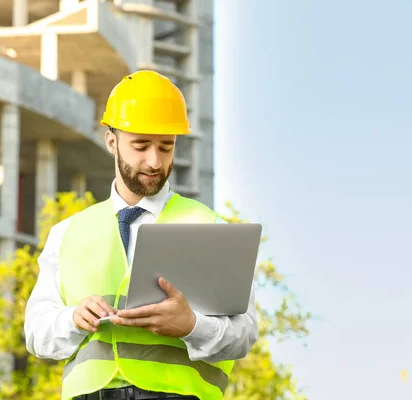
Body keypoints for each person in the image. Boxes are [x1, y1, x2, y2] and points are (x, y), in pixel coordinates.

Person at [24, 70, 259, 400]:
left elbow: (245, 332)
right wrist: (73, 319)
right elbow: (36, 333)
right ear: (111, 141)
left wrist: (191, 326)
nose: (154, 161)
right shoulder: (67, 234)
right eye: (141, 145)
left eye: (166, 147)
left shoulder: (209, 228)